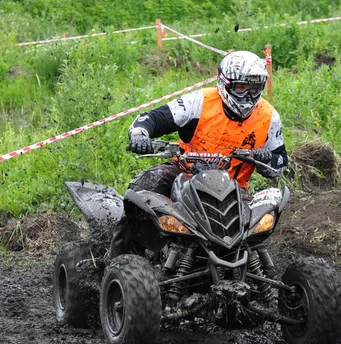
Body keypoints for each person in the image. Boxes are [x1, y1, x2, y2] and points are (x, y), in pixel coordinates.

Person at [108, 50, 288, 258]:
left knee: (256, 229)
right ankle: (119, 259)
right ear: (225, 83)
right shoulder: (200, 101)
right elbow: (154, 118)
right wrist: (140, 134)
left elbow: (280, 160)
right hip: (183, 172)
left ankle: (257, 268)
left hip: (233, 187)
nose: (248, 96)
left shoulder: (268, 116)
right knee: (144, 191)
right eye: (241, 88)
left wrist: (265, 158)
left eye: (254, 89)